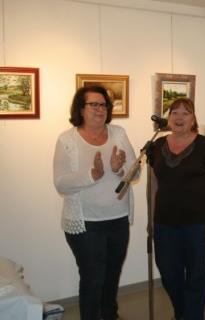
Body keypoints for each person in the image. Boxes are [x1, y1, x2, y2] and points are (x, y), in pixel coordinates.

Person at [53, 85, 138, 320]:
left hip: (117, 219)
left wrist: (120, 169)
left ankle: (110, 315)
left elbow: (136, 172)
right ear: (81, 109)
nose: (100, 109)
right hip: (85, 222)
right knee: (92, 277)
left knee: (112, 275)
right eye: (94, 104)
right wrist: (93, 175)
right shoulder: (67, 140)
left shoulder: (118, 133)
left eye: (103, 105)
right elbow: (60, 183)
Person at [147, 98, 205, 320]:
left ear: (193, 120)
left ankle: (191, 316)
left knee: (196, 276)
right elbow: (153, 184)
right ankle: (183, 313)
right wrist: (151, 218)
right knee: (169, 274)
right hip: (164, 222)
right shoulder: (156, 147)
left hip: (197, 222)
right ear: (168, 118)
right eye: (174, 113)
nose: (179, 117)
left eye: (185, 113)